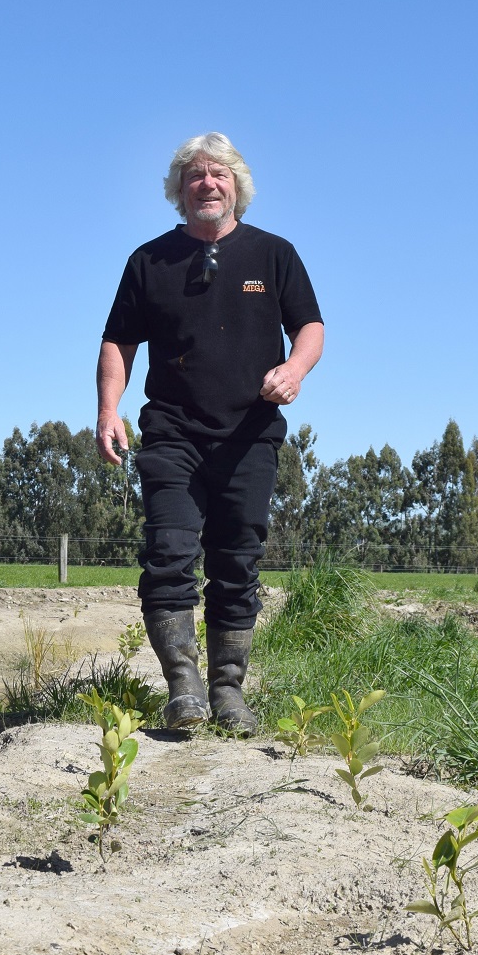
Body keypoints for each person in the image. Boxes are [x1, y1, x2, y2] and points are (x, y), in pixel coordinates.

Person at [95, 132, 325, 736]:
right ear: (179, 189)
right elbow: (118, 342)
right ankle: (183, 687)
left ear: (237, 186)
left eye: (218, 174)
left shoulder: (275, 255)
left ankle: (229, 691)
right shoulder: (148, 261)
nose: (208, 184)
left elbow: (310, 327)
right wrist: (108, 411)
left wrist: (293, 370)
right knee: (169, 556)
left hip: (250, 435)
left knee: (236, 562)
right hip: (172, 433)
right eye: (195, 175)